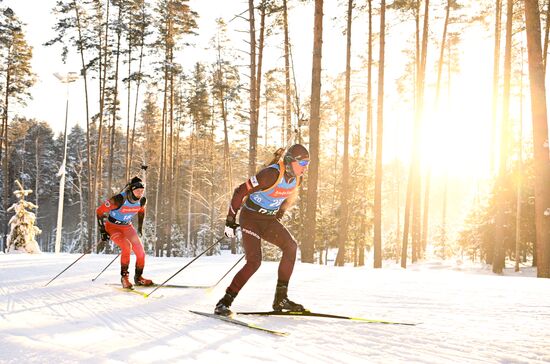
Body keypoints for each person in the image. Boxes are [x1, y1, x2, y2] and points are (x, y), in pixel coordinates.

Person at [214, 144, 310, 316]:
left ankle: (281, 299)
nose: (304, 169)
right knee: (254, 262)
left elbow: (289, 196)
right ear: (291, 161)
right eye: (302, 164)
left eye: (307, 165)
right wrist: (230, 220)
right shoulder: (270, 174)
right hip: (250, 219)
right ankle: (224, 302)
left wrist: (280, 212)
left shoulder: (297, 179)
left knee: (291, 247)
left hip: (268, 221)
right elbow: (240, 192)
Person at [96, 176, 153, 289]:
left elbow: (141, 211)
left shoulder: (142, 200)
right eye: (137, 191)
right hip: (112, 227)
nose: (140, 193)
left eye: (142, 191)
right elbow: (99, 211)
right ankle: (124, 278)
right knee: (127, 247)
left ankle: (138, 278)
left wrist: (140, 227)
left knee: (140, 252)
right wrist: (102, 231)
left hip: (127, 227)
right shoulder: (119, 199)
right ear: (131, 190)